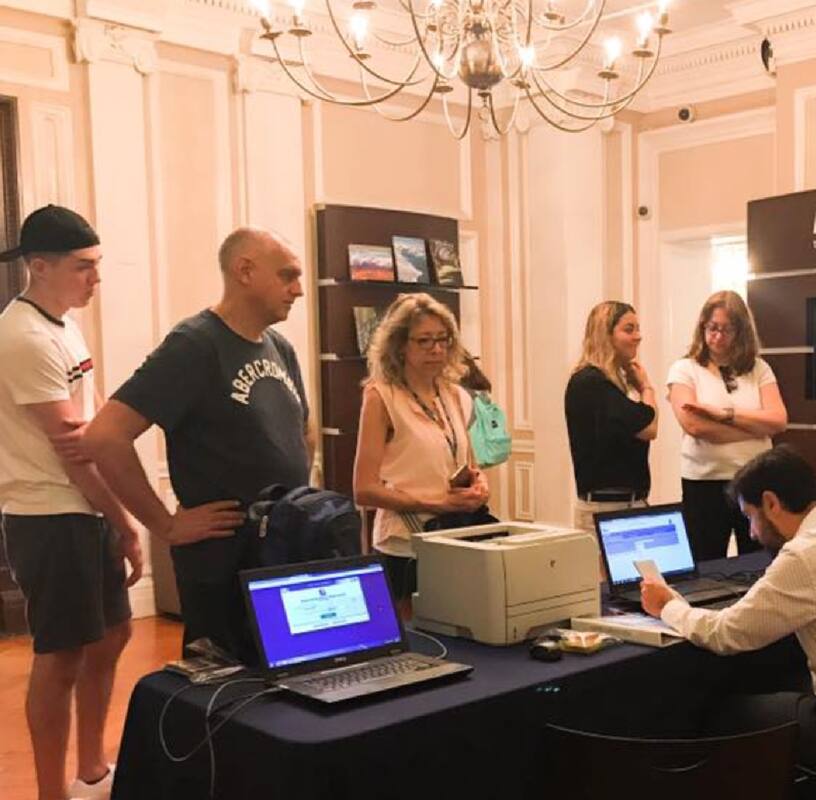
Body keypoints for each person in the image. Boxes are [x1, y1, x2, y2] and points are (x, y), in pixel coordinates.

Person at [640, 445, 816, 786]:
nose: (751, 533)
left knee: (722, 712)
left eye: (749, 516)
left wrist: (668, 606)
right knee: (785, 677)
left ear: (771, 503)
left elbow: (726, 634)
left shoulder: (805, 554)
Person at [84, 228, 312, 664]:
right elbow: (105, 436)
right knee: (226, 687)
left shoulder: (279, 347)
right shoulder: (195, 345)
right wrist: (165, 525)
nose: (298, 290)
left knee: (289, 676)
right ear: (245, 271)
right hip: (224, 561)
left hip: (281, 550)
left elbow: (304, 429)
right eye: (287, 275)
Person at [0, 205, 141, 800]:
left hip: (84, 507)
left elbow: (93, 421)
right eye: (84, 266)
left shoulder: (62, 324)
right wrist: (126, 521)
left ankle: (91, 769)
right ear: (39, 266)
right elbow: (73, 452)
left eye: (97, 264)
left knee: (114, 633)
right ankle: (50, 793)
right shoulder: (23, 337)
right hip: (50, 516)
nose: (96, 278)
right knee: (60, 657)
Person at [352, 293, 489, 598]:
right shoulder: (381, 397)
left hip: (455, 537)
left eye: (442, 340)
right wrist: (435, 504)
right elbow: (364, 490)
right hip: (404, 544)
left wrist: (480, 485)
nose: (436, 349)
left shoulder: (454, 395)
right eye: (424, 341)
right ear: (400, 345)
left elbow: (470, 464)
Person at [666, 291, 786, 560]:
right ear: (702, 327)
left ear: (741, 332)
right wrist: (754, 427)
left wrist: (725, 415)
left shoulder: (759, 369)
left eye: (726, 330)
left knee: (758, 561)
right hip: (704, 484)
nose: (718, 337)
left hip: (754, 481)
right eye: (712, 328)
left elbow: (778, 420)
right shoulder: (684, 369)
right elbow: (694, 426)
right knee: (706, 563)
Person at [564, 301, 658, 535]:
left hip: (625, 503)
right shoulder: (590, 382)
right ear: (605, 334)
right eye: (629, 329)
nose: (638, 336)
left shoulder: (609, 383)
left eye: (638, 328)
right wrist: (646, 388)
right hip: (606, 508)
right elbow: (648, 427)